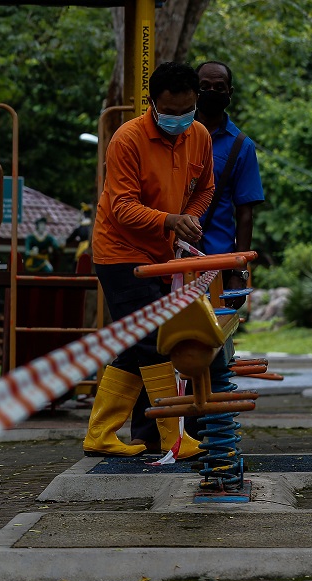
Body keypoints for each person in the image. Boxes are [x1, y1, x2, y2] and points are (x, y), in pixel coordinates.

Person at [84, 61, 214, 459]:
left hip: (162, 255)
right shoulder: (127, 139)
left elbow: (205, 188)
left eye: (187, 110)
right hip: (120, 253)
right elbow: (121, 207)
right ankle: (175, 437)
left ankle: (100, 435)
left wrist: (188, 218)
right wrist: (170, 220)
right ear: (153, 104)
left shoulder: (201, 136)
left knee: (134, 345)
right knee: (153, 342)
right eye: (170, 111)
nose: (179, 119)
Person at [194, 60, 264, 307]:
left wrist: (238, 272)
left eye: (218, 87)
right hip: (172, 260)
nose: (211, 92)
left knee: (215, 337)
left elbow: (245, 214)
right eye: (204, 86)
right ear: (194, 90)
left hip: (218, 262)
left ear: (229, 94)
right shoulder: (177, 134)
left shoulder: (241, 146)